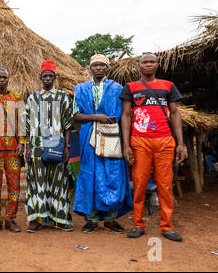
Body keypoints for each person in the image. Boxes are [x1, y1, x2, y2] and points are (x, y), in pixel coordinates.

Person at [120, 52, 185, 241]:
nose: (148, 64)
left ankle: (167, 227)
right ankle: (138, 224)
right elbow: (125, 115)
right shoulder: (130, 88)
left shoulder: (168, 86)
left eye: (152, 62)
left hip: (165, 140)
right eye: (144, 62)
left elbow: (174, 114)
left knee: (164, 185)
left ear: (157, 65)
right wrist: (126, 145)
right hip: (140, 141)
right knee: (139, 184)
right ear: (139, 66)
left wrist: (180, 143)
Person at [73, 54, 133, 233]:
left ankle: (110, 219)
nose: (98, 68)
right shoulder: (81, 89)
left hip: (112, 137)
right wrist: (96, 117)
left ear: (107, 68)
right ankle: (91, 220)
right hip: (88, 139)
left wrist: (125, 144)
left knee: (112, 176)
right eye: (95, 66)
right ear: (90, 68)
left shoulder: (118, 89)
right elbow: (76, 115)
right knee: (89, 175)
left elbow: (124, 117)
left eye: (102, 65)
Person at [24, 60, 74, 232]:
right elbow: (27, 125)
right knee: (37, 182)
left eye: (50, 76)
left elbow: (68, 124)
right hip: (37, 147)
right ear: (40, 77)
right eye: (44, 76)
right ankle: (38, 219)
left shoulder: (63, 97)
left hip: (57, 146)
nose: (47, 79)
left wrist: (67, 147)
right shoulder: (32, 98)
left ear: (54, 77)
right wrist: (27, 147)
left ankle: (60, 218)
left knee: (58, 181)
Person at [0, 66, 25, 234]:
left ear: (8, 79)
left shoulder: (16, 97)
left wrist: (22, 143)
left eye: (4, 77)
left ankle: (10, 218)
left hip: (13, 149)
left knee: (14, 186)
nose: (1, 80)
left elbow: (22, 121)